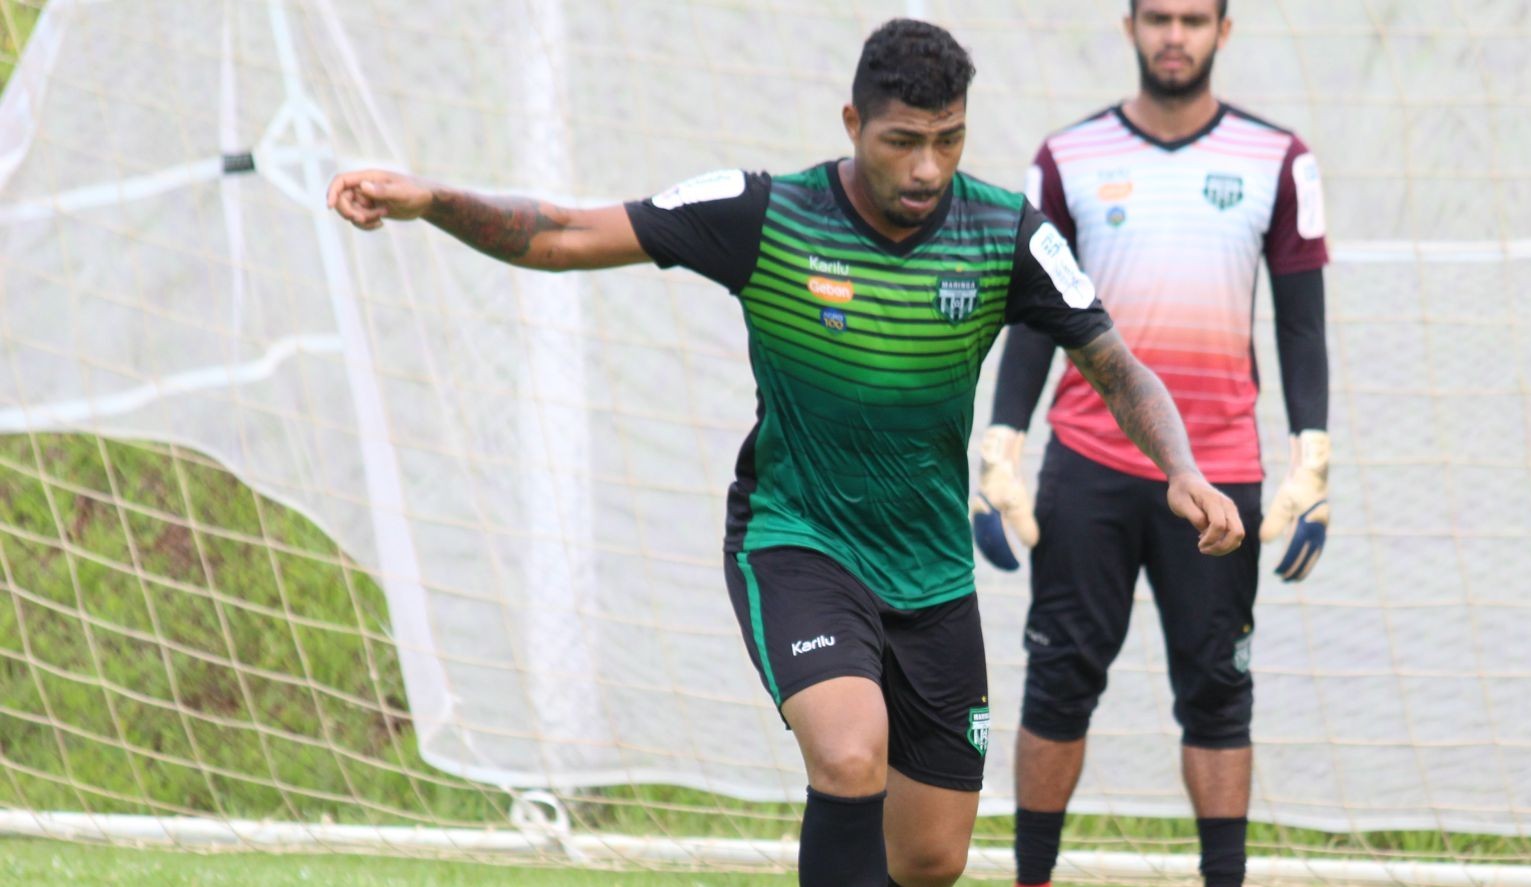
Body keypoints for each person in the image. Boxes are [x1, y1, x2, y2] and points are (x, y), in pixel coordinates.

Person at [325, 19, 1245, 887]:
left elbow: (1115, 364)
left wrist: (1185, 469)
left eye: (949, 139)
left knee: (931, 860)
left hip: (929, 571)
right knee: (849, 752)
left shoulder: (1006, 233)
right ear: (853, 124)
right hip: (797, 538)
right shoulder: (765, 212)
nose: (927, 167)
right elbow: (564, 234)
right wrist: (433, 200)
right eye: (901, 141)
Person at [969, 1, 1331, 884]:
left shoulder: (1278, 160)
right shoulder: (1066, 158)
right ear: (1128, 25)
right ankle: (1032, 878)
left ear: (1223, 31)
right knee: (1059, 685)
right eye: (1159, 16)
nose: (1176, 35)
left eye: (1194, 18)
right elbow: (1032, 315)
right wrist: (1001, 447)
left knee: (1217, 691)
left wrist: (1312, 457)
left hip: (1220, 473)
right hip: (1088, 464)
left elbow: (1300, 326)